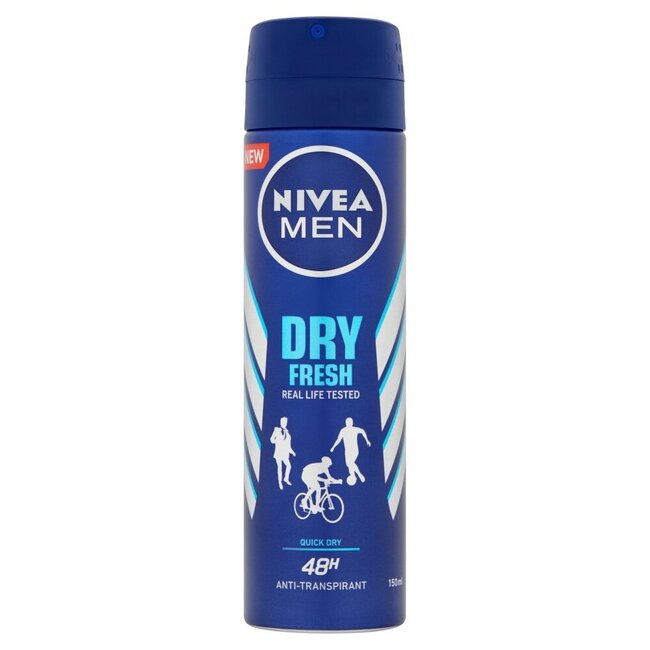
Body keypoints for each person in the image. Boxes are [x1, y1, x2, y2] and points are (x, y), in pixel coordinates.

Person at [330, 417, 371, 485]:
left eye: (350, 422)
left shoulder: (354, 429)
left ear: (352, 423)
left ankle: (359, 475)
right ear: (346, 423)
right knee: (349, 465)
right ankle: (353, 476)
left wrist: (367, 440)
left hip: (354, 450)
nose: (348, 423)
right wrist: (333, 447)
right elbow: (338, 440)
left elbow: (362, 431)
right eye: (347, 422)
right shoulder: (343, 430)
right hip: (347, 451)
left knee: (350, 463)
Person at [269, 416, 296, 490]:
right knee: (279, 468)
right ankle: (280, 482)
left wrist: (292, 452)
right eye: (283, 422)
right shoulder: (276, 430)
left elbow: (288, 445)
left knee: (289, 466)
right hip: (278, 453)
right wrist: (277, 441)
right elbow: (271, 440)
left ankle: (286, 478)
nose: (284, 423)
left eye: (285, 422)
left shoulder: (287, 432)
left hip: (285, 453)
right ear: (281, 422)